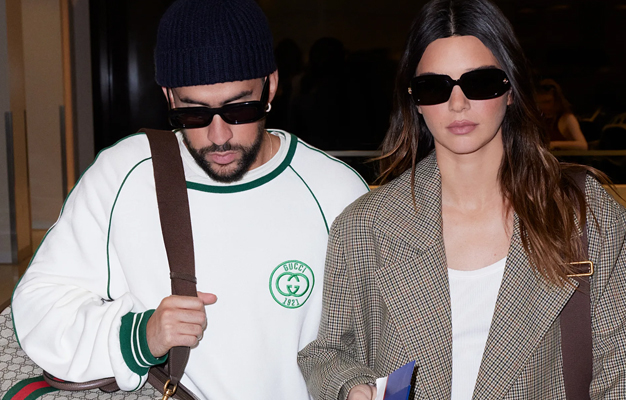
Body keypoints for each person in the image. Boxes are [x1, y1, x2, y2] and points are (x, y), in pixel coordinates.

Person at [297, 0, 626, 399]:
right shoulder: (365, 225)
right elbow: (329, 353)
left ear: (511, 90)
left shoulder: (582, 214)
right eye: (434, 87)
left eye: (481, 82)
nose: (457, 104)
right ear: (415, 101)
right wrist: (351, 386)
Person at [10, 0, 368, 399]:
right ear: (168, 96)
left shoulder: (335, 192)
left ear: (271, 85)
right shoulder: (126, 175)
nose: (218, 136)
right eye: (193, 114)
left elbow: (376, 332)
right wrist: (141, 335)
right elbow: (38, 307)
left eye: (240, 109)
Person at [536, 78, 589, 150]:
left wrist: (554, 144)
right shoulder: (538, 119)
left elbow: (583, 145)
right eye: (540, 103)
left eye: (547, 102)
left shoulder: (567, 118)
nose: (544, 106)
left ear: (556, 101)